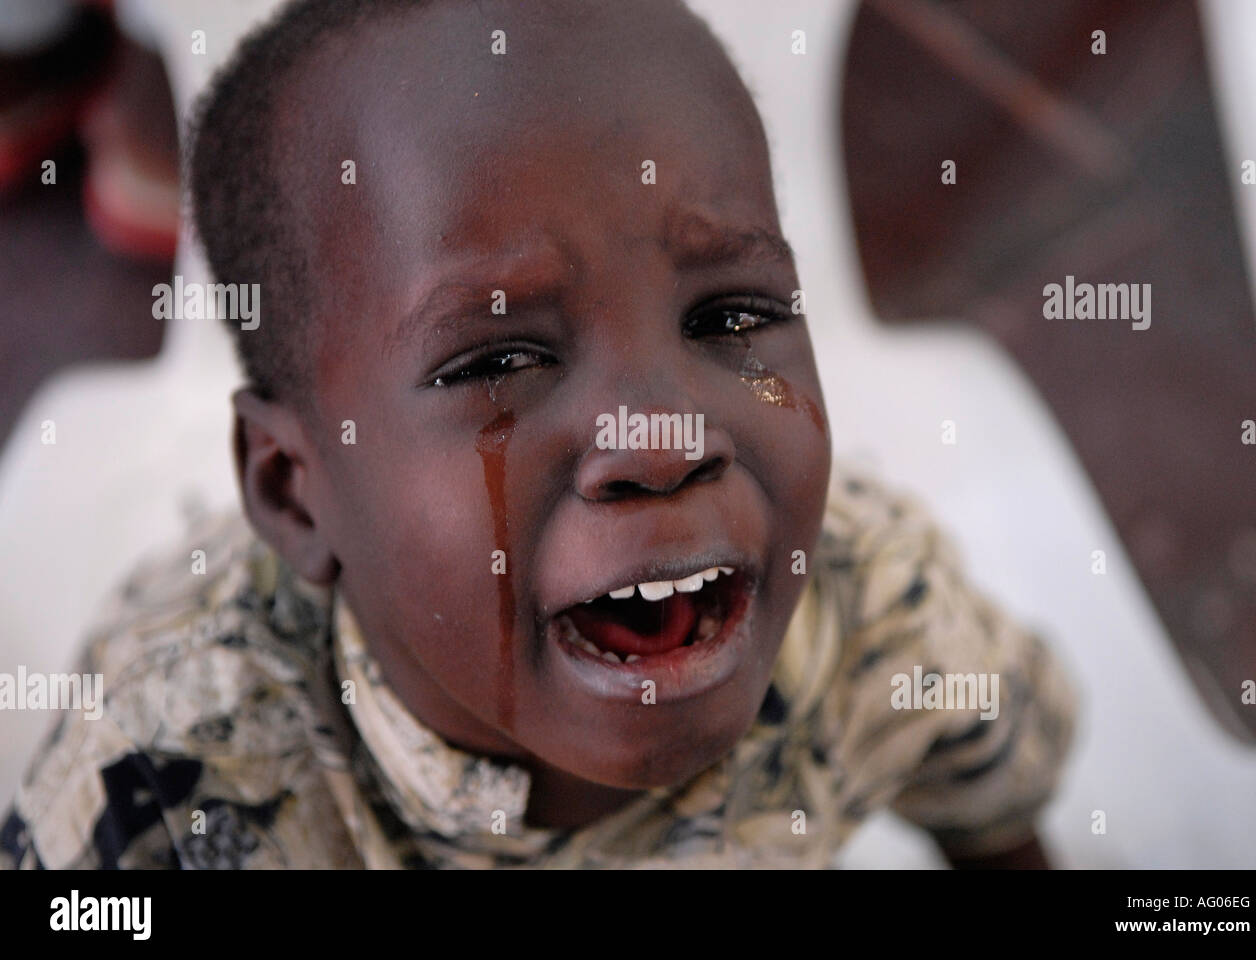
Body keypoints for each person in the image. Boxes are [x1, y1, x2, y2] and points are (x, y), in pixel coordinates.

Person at [1, 0, 1075, 869]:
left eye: (730, 318)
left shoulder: (881, 609)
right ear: (293, 491)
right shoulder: (154, 787)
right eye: (497, 363)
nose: (664, 440)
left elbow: (996, 815)